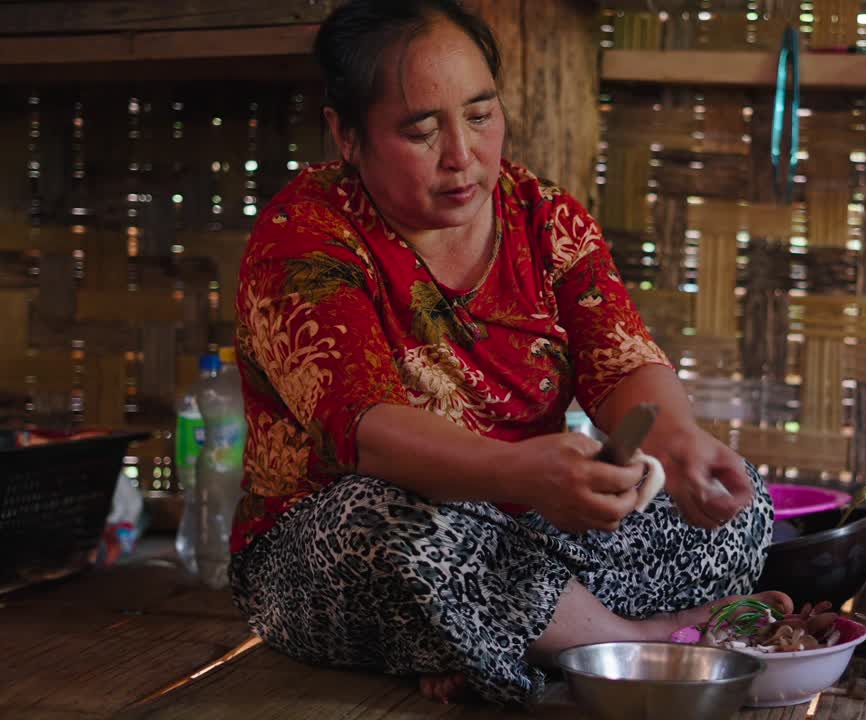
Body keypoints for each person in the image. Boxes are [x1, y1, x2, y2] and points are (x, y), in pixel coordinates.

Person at [228, 0, 786, 706]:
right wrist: (522, 473)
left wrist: (676, 444)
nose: (462, 155)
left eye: (482, 114)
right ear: (346, 133)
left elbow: (618, 357)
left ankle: (506, 637)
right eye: (421, 130)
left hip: (526, 533)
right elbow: (364, 426)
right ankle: (619, 642)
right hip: (337, 548)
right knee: (387, 524)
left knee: (737, 510)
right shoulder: (303, 238)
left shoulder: (543, 215)